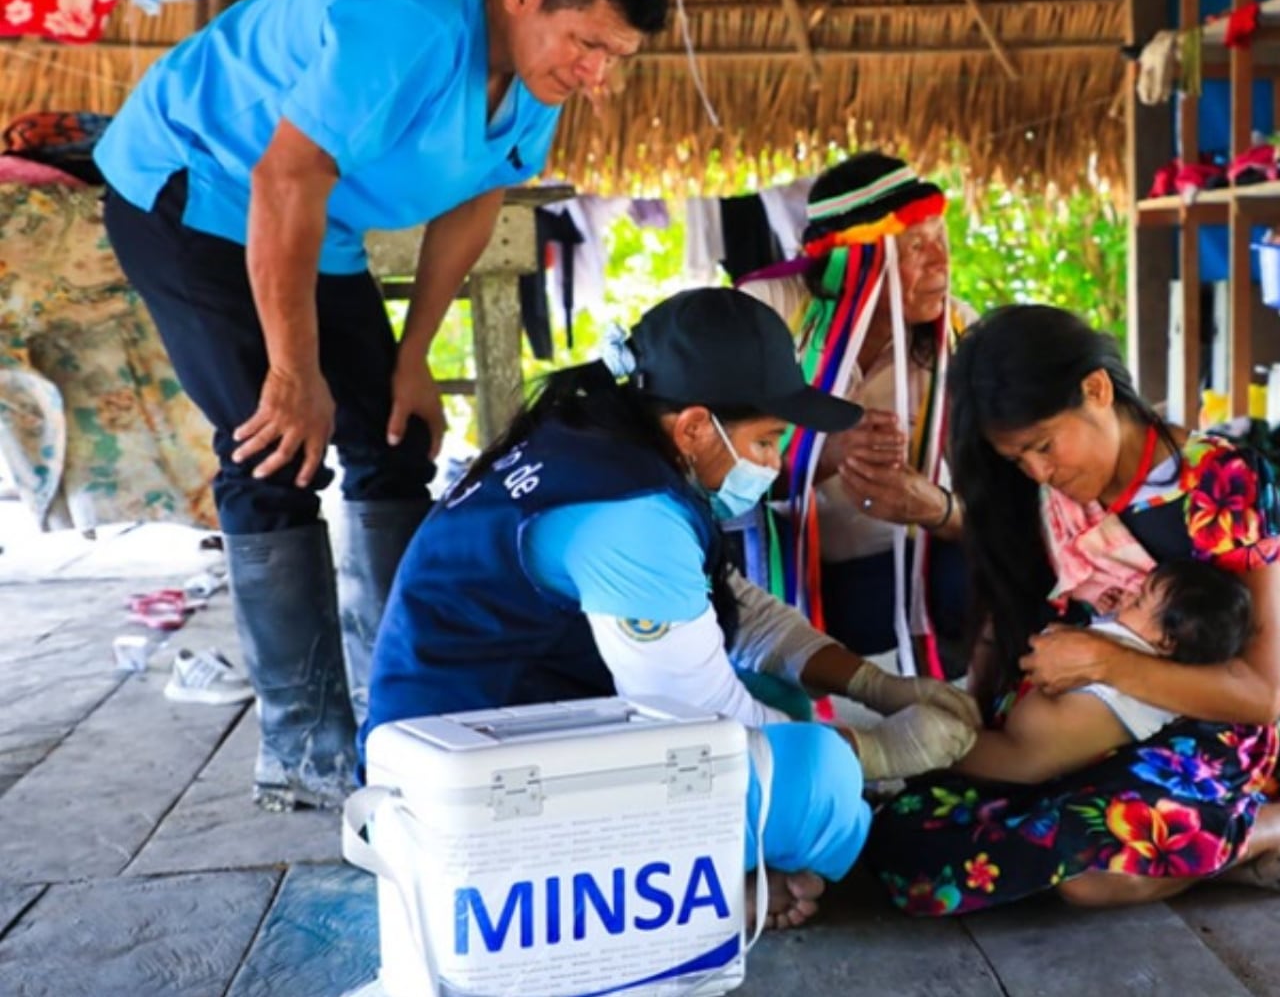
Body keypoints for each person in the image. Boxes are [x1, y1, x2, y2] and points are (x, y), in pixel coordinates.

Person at [95, 0, 669, 810]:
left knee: (399, 437)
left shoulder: (537, 72)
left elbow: (475, 202)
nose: (598, 77)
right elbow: (284, 179)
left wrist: (411, 359)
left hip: (314, 230)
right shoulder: (406, 20)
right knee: (275, 447)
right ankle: (303, 747)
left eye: (615, 57)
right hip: (193, 191)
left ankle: (403, 708)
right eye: (590, 44)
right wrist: (293, 374)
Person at [364, 288, 982, 929]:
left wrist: (874, 686)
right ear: (692, 426)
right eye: (768, 441)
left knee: (784, 701)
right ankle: (713, 881)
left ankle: (727, 873)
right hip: (457, 813)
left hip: (473, 750)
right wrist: (880, 754)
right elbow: (703, 722)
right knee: (819, 782)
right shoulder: (630, 519)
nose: (774, 463)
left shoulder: (602, 445)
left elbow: (734, 607)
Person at [865, 306, 1280, 917]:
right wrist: (975, 704)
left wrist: (1105, 662)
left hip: (1203, 724)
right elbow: (1009, 608)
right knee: (909, 846)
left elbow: (1258, 692)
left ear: (1096, 390)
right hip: (1064, 720)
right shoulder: (1042, 492)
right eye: (1019, 460)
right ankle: (1214, 854)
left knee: (1090, 869)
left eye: (1044, 447)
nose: (1038, 471)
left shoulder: (1220, 483)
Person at [737, 154, 975, 679]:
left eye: (941, 237)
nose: (940, 261)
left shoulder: (955, 331)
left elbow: (1001, 508)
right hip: (782, 576)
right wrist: (827, 453)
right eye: (916, 245)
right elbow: (710, 469)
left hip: (914, 581)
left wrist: (935, 508)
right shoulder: (770, 311)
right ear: (857, 257)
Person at [950, 559, 1252, 785]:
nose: (1128, 597)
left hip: (1027, 759)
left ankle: (936, 751)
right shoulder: (1140, 641)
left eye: (1138, 601)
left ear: (1166, 641)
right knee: (949, 736)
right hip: (1019, 733)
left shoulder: (1149, 681)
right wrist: (1108, 615)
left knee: (944, 752)